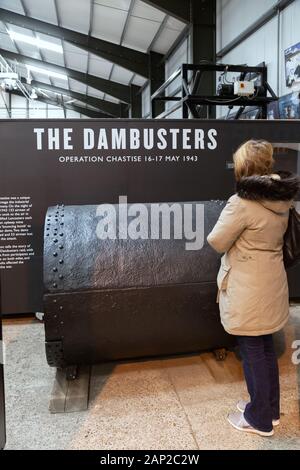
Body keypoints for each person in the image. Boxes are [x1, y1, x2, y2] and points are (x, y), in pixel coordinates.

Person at [207, 140, 300, 437]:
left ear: (245, 167)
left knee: (253, 351)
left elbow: (217, 241)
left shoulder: (242, 203)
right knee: (264, 348)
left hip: (248, 287)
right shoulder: (282, 199)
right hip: (271, 282)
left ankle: (258, 419)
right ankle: (268, 410)